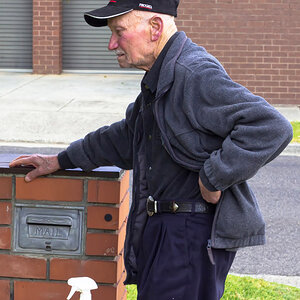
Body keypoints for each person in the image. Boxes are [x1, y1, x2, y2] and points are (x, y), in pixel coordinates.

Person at [10, 0, 293, 299]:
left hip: (188, 234)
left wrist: (214, 176)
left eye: (119, 31)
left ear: (155, 28)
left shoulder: (192, 72)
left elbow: (270, 127)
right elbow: (125, 136)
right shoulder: (161, 77)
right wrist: (60, 160)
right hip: (168, 229)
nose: (111, 44)